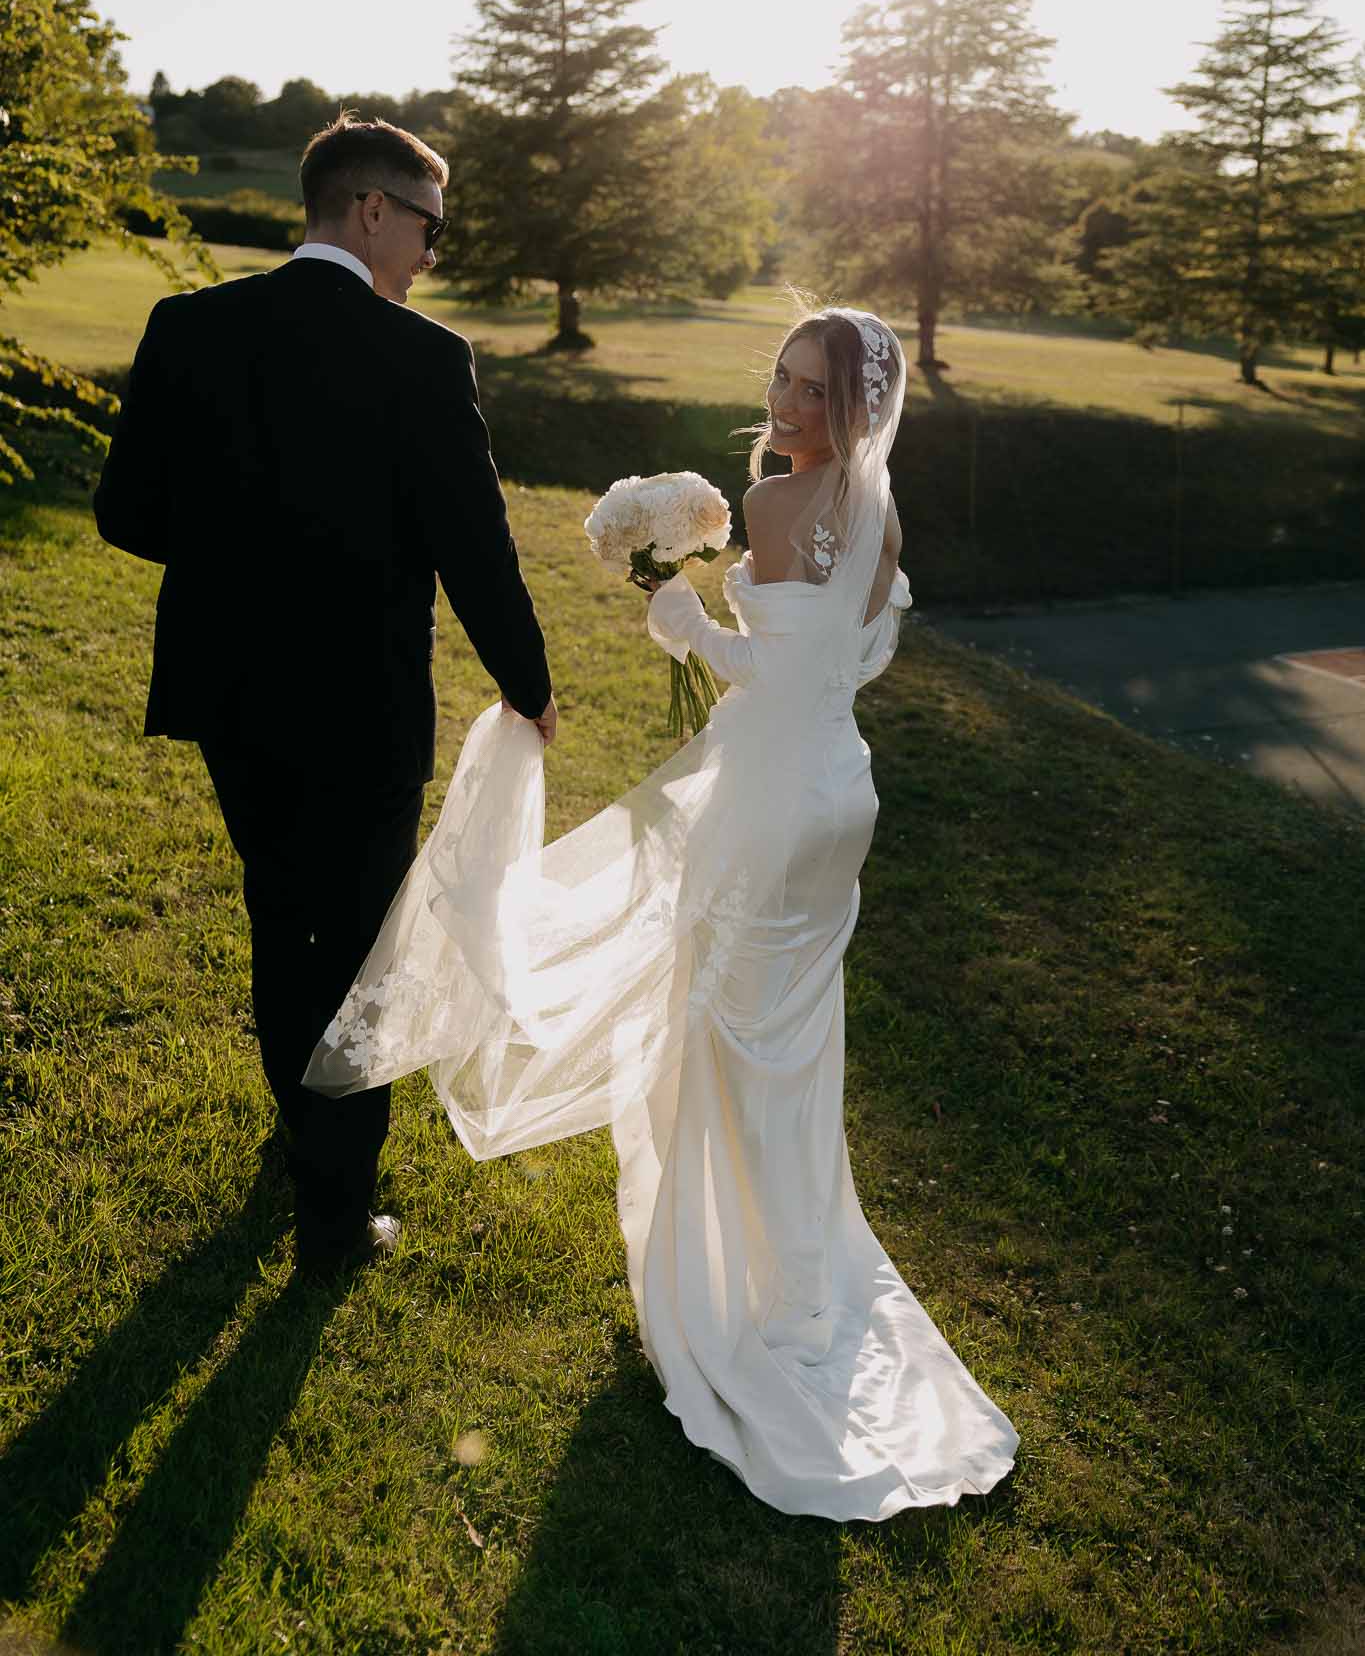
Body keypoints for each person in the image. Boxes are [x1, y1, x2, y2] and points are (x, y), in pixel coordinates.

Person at [307, 299, 1017, 1517]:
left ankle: (733, 1300)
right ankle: (797, 1279)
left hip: (774, 803)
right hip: (839, 796)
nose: (788, 404)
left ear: (856, 406)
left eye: (814, 390)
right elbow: (856, 658)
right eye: (783, 378)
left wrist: (686, 623)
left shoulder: (780, 503)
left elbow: (779, 667)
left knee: (723, 1041)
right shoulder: (875, 503)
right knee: (787, 1050)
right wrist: (723, 641)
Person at [93, 114, 555, 1277]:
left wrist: (238, 553)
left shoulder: (187, 327)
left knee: (280, 912)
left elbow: (124, 514)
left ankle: (304, 1134)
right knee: (355, 949)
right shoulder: (420, 356)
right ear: (370, 210)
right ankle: (335, 1223)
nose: (432, 255)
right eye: (430, 228)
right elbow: (476, 548)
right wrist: (529, 683)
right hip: (361, 706)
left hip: (229, 688)